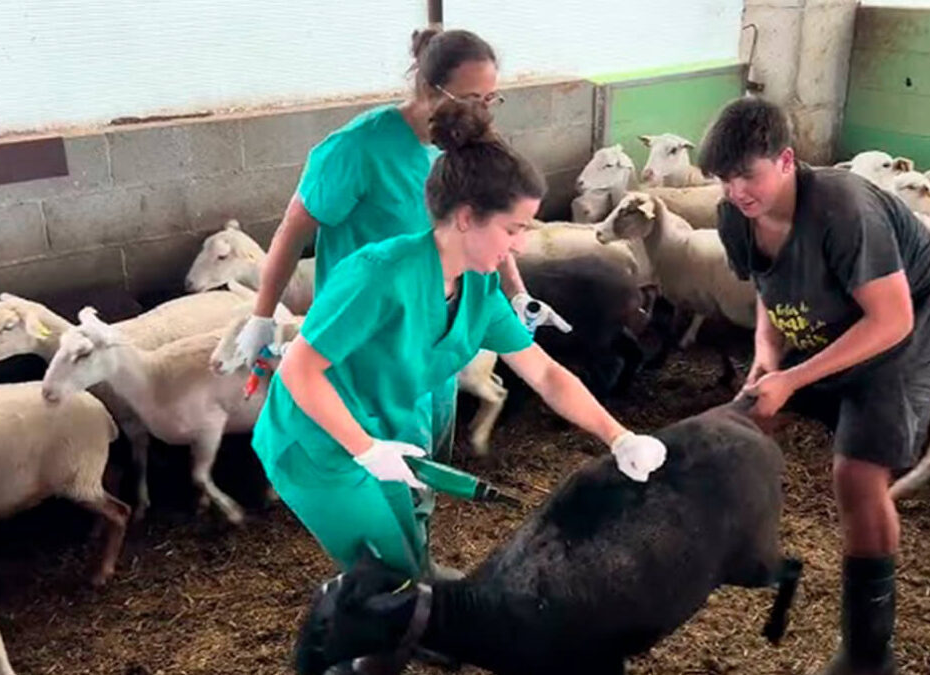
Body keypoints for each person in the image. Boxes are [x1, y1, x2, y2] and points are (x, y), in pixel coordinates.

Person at [250, 97, 667, 581]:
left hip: (387, 433)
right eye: (513, 229)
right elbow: (300, 369)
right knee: (388, 572)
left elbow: (547, 374)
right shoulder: (377, 275)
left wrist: (619, 436)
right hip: (318, 443)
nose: (521, 246)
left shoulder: (478, 288)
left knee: (407, 547)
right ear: (466, 217)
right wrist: (365, 448)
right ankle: (357, 642)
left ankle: (415, 605)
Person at [233, 29, 566, 574]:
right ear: (430, 88)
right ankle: (384, 587)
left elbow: (495, 218)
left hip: (432, 341)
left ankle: (417, 566)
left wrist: (516, 292)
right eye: (471, 99)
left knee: (423, 461)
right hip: (368, 342)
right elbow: (294, 231)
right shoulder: (356, 149)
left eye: (491, 99)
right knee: (368, 468)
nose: (484, 112)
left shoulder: (471, 147)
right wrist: (262, 316)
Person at [697, 97, 930, 675]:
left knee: (857, 472)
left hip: (912, 319)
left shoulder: (844, 210)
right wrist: (766, 359)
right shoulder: (735, 214)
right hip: (834, 312)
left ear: (787, 160)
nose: (735, 190)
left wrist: (794, 378)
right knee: (745, 414)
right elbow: (771, 291)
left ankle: (869, 654)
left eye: (747, 173)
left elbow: (892, 320)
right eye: (723, 178)